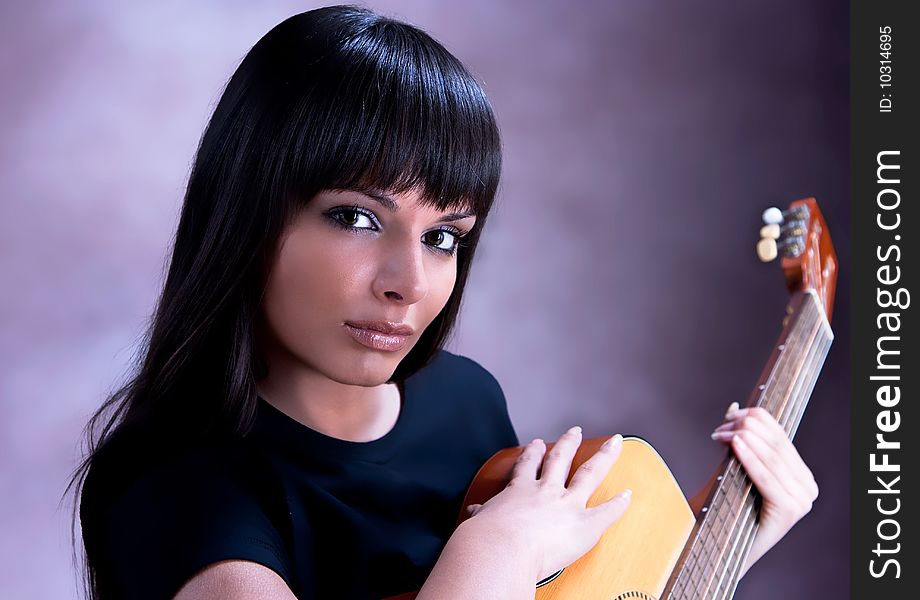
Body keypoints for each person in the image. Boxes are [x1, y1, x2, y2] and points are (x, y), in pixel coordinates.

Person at [69, 5, 819, 600]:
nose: (409, 283)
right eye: (357, 218)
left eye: (445, 236)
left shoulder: (462, 402)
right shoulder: (172, 485)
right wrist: (494, 550)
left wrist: (731, 543)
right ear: (250, 214)